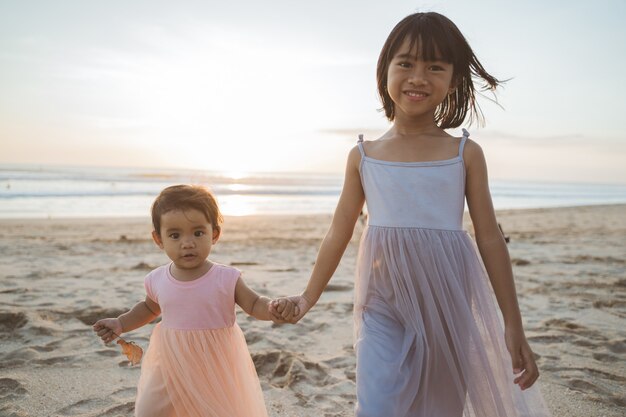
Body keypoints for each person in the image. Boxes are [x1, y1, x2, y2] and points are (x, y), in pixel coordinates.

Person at [270, 12, 551, 417]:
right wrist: (307, 297)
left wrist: (513, 323)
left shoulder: (464, 154)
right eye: (406, 63)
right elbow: (338, 232)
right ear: (384, 71)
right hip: (382, 302)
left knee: (441, 405)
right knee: (378, 402)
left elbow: (489, 237)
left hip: (448, 302)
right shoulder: (363, 156)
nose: (418, 77)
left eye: (434, 66)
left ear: (453, 80)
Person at [93, 184, 296, 417]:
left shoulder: (225, 277)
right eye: (175, 235)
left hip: (214, 363)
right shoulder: (157, 278)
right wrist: (121, 323)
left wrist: (272, 308)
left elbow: (253, 304)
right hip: (170, 361)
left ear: (215, 234)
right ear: (159, 239)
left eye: (198, 233)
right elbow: (149, 308)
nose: (187, 243)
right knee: (151, 410)